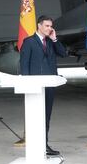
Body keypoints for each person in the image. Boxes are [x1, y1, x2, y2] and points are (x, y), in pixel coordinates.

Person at [20, 15, 67, 156]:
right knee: (35, 117)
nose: (49, 28)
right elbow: (24, 64)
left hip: (49, 85)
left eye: (51, 26)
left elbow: (63, 53)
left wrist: (55, 39)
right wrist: (27, 84)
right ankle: (36, 144)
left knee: (46, 116)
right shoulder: (29, 42)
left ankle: (44, 144)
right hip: (35, 86)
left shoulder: (51, 41)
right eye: (47, 26)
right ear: (39, 26)